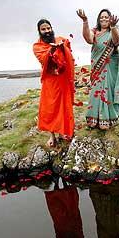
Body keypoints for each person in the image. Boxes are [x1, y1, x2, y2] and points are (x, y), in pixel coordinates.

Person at [76, 9, 119, 130]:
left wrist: (113, 27)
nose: (104, 19)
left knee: (107, 92)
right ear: (99, 20)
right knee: (96, 92)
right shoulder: (95, 32)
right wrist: (85, 21)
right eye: (102, 17)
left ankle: (108, 119)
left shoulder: (114, 31)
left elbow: (117, 41)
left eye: (106, 17)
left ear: (110, 19)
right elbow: (88, 38)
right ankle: (94, 119)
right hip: (97, 69)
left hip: (110, 69)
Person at [33, 19, 75, 147]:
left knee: (64, 105)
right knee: (50, 107)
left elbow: (69, 54)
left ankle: (63, 132)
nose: (47, 31)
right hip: (50, 81)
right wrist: (52, 50)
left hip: (62, 79)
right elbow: (43, 59)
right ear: (39, 31)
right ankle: (52, 135)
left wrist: (63, 47)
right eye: (43, 29)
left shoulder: (60, 39)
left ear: (52, 28)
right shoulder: (37, 46)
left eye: (48, 28)